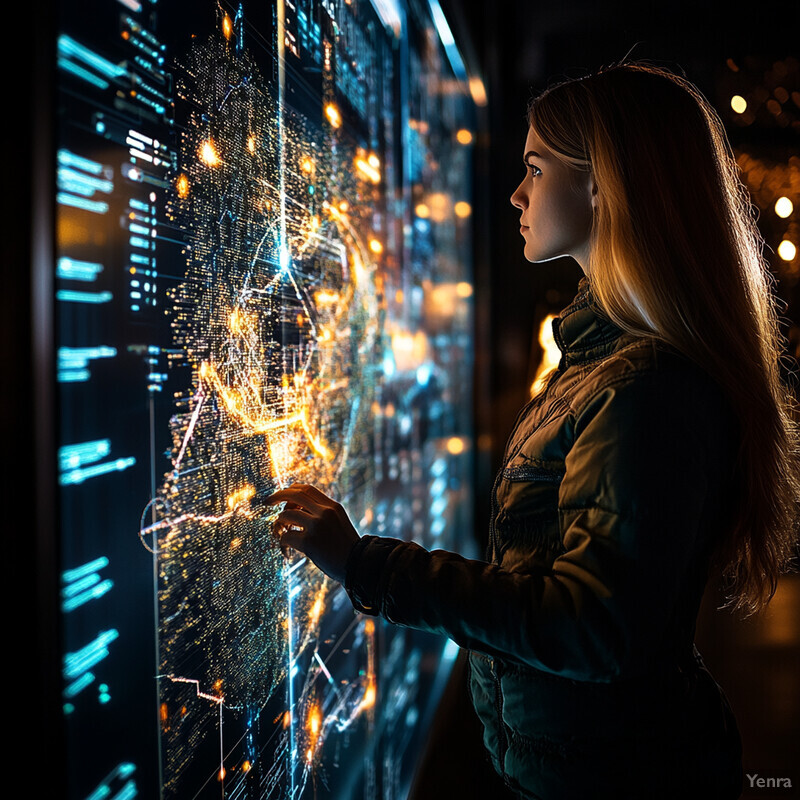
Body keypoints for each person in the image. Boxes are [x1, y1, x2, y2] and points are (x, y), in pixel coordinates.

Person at [266, 61, 800, 799]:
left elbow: (590, 626)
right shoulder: (604, 365)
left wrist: (367, 566)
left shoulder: (646, 391)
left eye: (536, 167)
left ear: (603, 185)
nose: (517, 192)